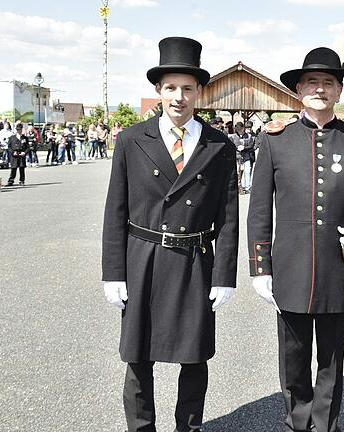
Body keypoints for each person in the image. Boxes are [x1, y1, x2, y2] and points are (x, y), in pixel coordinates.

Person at [101, 36, 238, 432]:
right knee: (138, 357)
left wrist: (223, 275)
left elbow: (229, 217)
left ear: (199, 92)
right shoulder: (131, 140)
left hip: (194, 261)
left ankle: (188, 428)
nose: (179, 96)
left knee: (194, 358)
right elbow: (116, 210)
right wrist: (113, 271)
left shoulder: (219, 145)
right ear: (158, 91)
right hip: (142, 257)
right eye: (171, 88)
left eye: (187, 88)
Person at [247, 47, 344, 432]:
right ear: (298, 90)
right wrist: (260, 268)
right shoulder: (276, 140)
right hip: (289, 267)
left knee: (332, 359)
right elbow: (259, 209)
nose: (319, 89)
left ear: (339, 91)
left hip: (339, 268)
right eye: (311, 82)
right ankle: (298, 422)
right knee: (293, 357)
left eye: (328, 82)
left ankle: (325, 425)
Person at [230, 121, 255, 194]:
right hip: (237, 157)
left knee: (247, 171)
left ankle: (247, 187)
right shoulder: (233, 137)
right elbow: (231, 146)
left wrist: (244, 148)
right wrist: (236, 148)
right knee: (237, 172)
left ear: (243, 128)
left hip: (246, 156)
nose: (239, 130)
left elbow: (251, 146)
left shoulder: (249, 136)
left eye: (240, 129)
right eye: (238, 129)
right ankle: (237, 186)